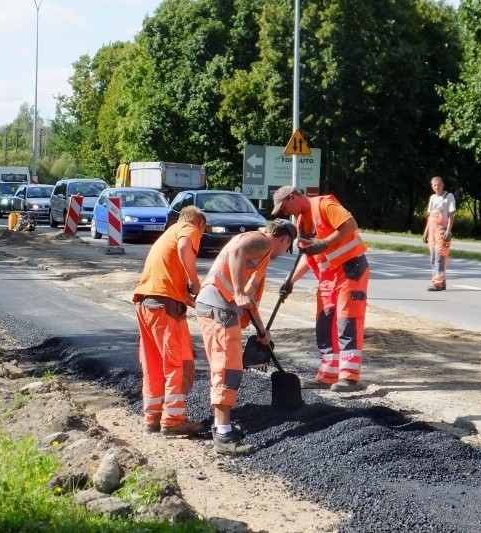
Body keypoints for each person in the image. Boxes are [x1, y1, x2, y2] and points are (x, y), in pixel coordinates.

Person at [195, 219, 297, 455]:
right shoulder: (260, 241)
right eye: (286, 247)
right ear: (284, 240)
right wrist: (239, 292)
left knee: (227, 367)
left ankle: (223, 425)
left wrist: (262, 331)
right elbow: (238, 253)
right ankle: (223, 435)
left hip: (219, 307)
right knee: (227, 369)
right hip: (219, 308)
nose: (283, 253)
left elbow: (248, 301)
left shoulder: (258, 253)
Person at [272, 186, 370, 393]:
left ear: (294, 197)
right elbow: (309, 257)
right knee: (324, 324)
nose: (285, 211)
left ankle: (350, 378)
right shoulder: (301, 221)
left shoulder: (324, 204)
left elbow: (350, 225)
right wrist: (290, 281)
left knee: (347, 322)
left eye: (285, 206)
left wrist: (325, 243)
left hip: (350, 270)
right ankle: (328, 375)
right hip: (327, 278)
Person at [132, 206, 207, 437]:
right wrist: (195, 283)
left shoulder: (168, 234)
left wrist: (190, 299)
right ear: (200, 225)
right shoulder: (189, 228)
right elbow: (186, 247)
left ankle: (152, 417)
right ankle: (173, 420)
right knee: (177, 362)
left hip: (145, 303)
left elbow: (166, 279)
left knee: (153, 364)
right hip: (165, 307)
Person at [422, 176, 456, 291]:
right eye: (434, 185)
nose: (437, 187)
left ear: (443, 185)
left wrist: (448, 230)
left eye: (439, 185)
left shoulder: (448, 196)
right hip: (432, 230)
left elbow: (451, 216)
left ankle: (437, 283)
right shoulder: (432, 198)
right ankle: (442, 281)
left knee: (440, 256)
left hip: (442, 230)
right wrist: (426, 232)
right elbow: (430, 217)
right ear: (432, 186)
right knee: (433, 257)